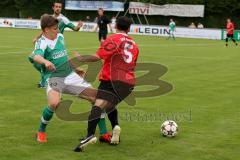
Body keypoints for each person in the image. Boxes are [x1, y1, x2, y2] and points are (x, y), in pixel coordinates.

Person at [31, 14, 110, 143]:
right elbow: (36, 56)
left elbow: (63, 56)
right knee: (54, 103)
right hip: (54, 77)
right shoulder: (42, 42)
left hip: (69, 75)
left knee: (97, 99)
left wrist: (75, 68)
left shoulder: (60, 37)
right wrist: (45, 61)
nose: (58, 30)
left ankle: (104, 133)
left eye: (57, 28)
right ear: (46, 30)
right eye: (55, 28)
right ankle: (41, 131)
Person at [73, 16, 139, 152]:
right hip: (128, 84)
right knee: (109, 105)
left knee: (98, 105)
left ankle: (89, 135)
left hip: (111, 81)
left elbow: (97, 57)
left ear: (115, 26)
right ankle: (115, 126)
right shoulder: (134, 45)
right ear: (129, 28)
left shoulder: (112, 39)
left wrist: (80, 58)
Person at [30, 0, 83, 88]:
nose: (58, 8)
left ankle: (48, 80)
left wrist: (78, 27)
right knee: (33, 58)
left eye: (59, 7)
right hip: (46, 42)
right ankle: (46, 78)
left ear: (61, 8)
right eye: (56, 6)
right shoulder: (50, 18)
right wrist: (37, 38)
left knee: (50, 61)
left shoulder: (64, 19)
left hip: (57, 44)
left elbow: (74, 28)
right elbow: (44, 29)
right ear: (53, 8)